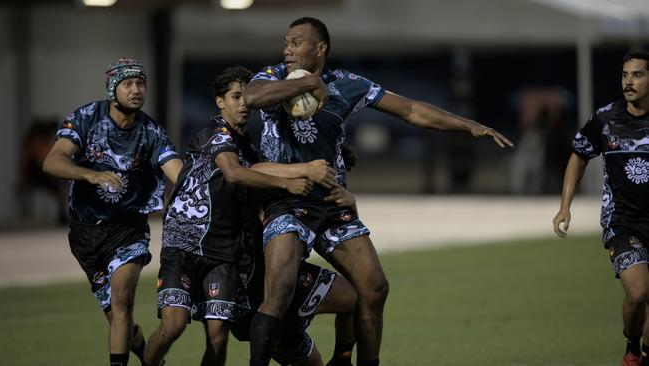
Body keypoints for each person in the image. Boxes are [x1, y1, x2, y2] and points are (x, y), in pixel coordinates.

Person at [243, 16, 514, 366]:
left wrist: (469, 126)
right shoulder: (272, 76)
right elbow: (252, 97)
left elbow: (412, 110)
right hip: (287, 200)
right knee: (279, 289)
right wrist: (305, 84)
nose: (287, 49)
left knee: (374, 288)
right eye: (285, 42)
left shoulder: (347, 84)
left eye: (296, 42)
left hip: (330, 201)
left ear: (320, 48)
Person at [143, 66, 338, 366]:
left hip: (224, 253)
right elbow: (234, 174)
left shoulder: (251, 150)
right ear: (220, 102)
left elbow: (257, 184)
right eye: (236, 97)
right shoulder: (214, 133)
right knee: (174, 325)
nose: (244, 103)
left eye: (247, 97)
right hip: (184, 243)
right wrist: (287, 181)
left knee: (218, 339)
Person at [42, 58, 184, 366]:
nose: (136, 90)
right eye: (128, 84)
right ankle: (150, 358)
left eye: (141, 83)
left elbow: (179, 174)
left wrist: (201, 187)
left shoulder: (152, 133)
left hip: (128, 228)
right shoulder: (85, 118)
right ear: (112, 89)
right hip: (84, 233)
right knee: (119, 320)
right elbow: (52, 162)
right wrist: (89, 174)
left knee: (122, 300)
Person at [552, 50, 649, 366]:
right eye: (625, 75)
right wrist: (565, 206)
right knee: (638, 294)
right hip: (623, 223)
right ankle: (632, 347)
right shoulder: (605, 119)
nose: (629, 82)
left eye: (637, 75)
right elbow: (578, 155)